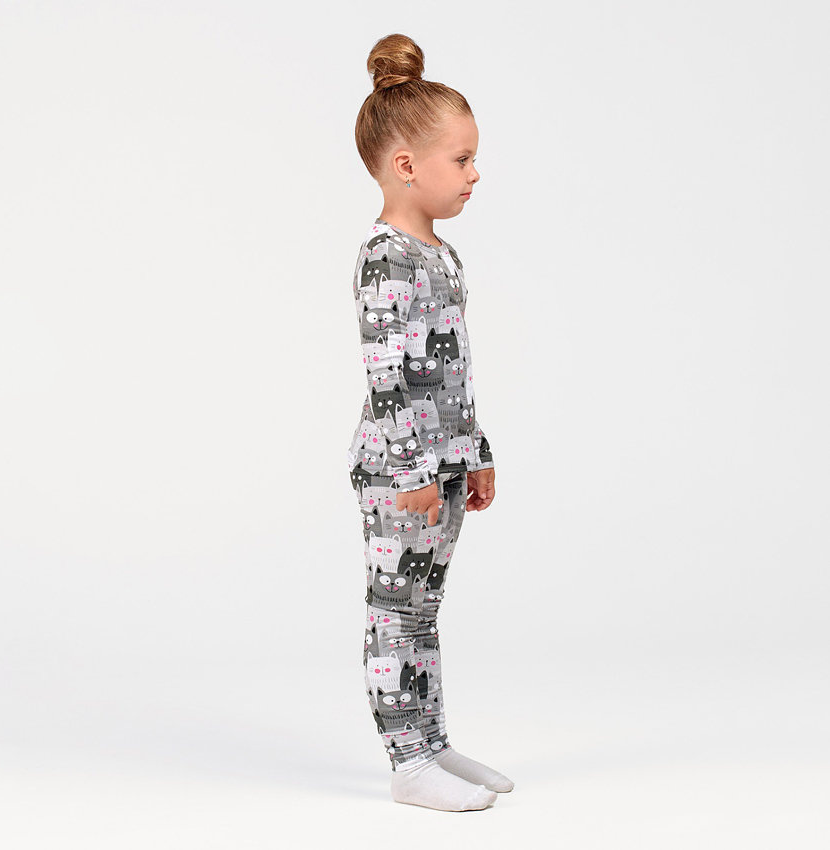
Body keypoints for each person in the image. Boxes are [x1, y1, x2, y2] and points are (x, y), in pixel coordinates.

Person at [345, 33, 514, 812]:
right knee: (395, 613)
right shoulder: (385, 257)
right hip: (400, 472)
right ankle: (407, 761)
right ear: (407, 165)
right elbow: (386, 372)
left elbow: (454, 370)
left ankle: (433, 742)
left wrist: (474, 453)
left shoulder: (441, 253)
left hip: (442, 464)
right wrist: (413, 467)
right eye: (463, 159)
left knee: (423, 612)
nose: (475, 174)